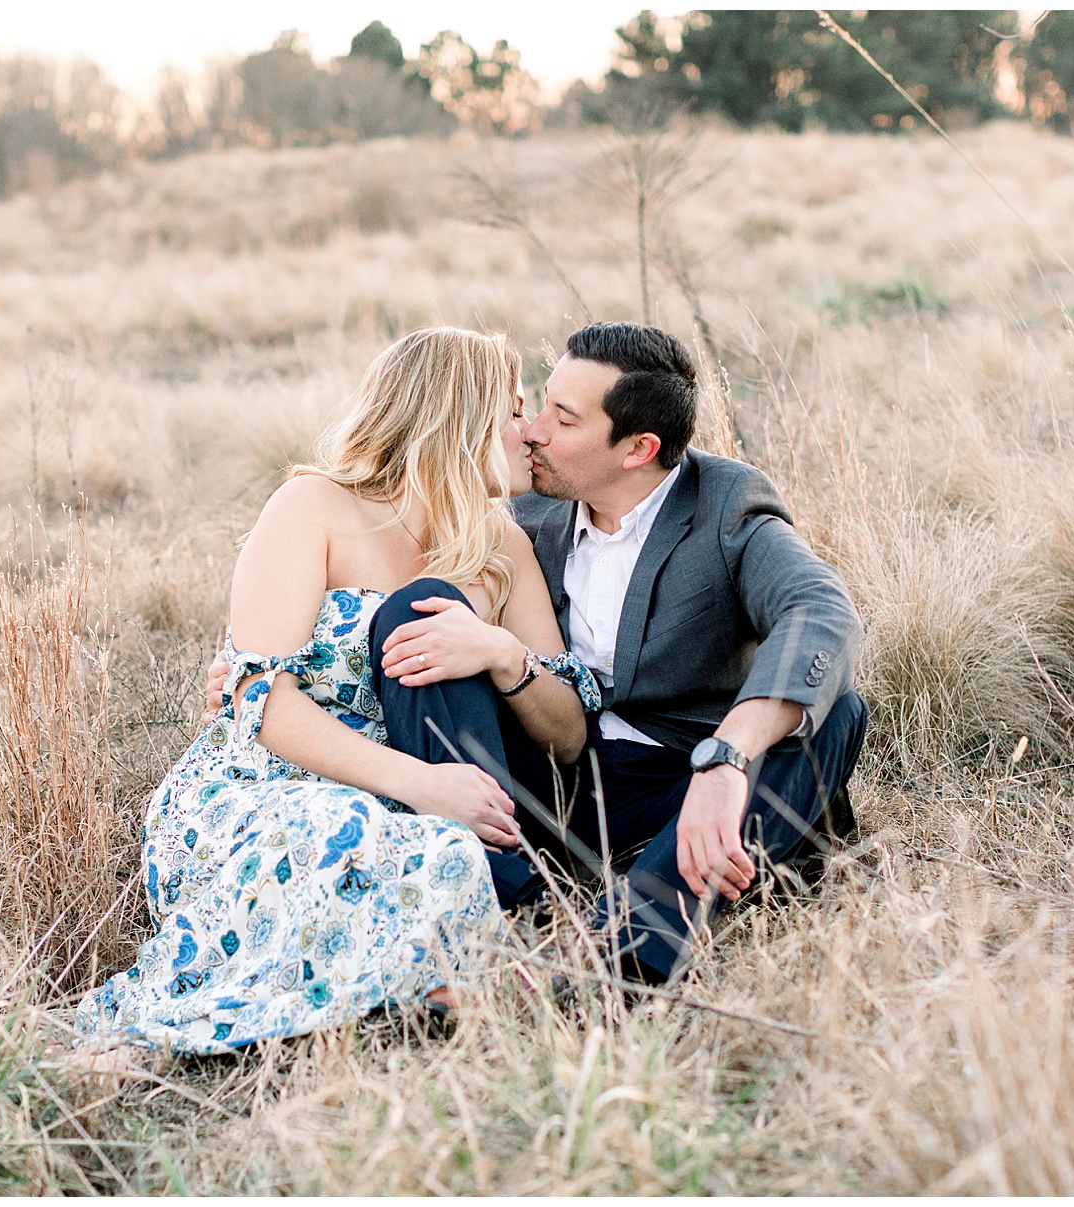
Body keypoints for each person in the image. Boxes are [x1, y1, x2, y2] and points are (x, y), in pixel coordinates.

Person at [202, 321, 867, 989]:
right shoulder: (527, 507)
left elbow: (821, 613)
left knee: (837, 715)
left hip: (670, 773)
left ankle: (630, 942)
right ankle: (500, 894)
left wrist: (724, 760)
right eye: (533, 405)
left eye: (561, 417)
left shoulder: (723, 505)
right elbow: (311, 635)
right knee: (428, 608)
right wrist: (253, 673)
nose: (535, 430)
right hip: (528, 775)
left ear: (638, 448)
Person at [75, 327, 600, 1056]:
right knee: (340, 829)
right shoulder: (312, 507)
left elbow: (569, 732)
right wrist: (422, 784)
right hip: (263, 781)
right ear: (462, 416)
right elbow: (261, 701)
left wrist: (502, 651)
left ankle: (415, 986)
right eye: (515, 411)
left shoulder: (501, 546)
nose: (532, 431)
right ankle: (248, 1009)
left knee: (442, 851)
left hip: (408, 793)